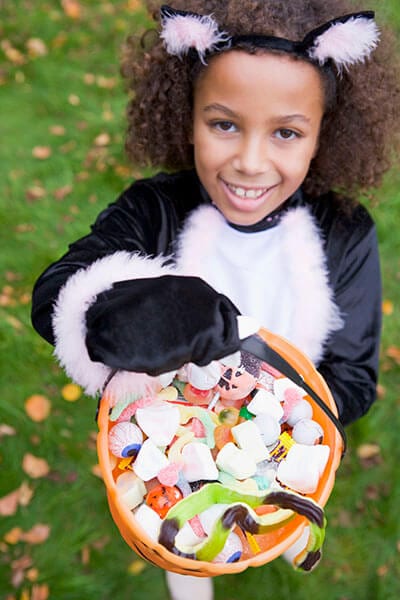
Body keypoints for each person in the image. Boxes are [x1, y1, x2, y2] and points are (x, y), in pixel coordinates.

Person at [31, 1, 400, 598]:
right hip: (172, 448)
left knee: (263, 520)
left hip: (275, 444)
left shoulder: (345, 233)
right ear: (187, 115)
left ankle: (272, 528)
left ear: (323, 133)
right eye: (224, 124)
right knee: (185, 542)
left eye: (286, 132)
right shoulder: (155, 210)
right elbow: (62, 290)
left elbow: (354, 376)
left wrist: (284, 414)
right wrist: (127, 310)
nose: (250, 162)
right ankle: (189, 579)